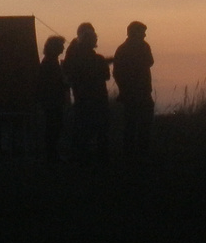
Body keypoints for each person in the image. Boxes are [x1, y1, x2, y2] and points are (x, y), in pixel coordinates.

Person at [62, 22, 110, 163]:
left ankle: (80, 157)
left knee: (83, 129)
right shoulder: (98, 59)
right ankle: (99, 158)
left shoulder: (73, 56)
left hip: (81, 98)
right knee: (99, 130)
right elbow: (106, 76)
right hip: (97, 99)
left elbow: (68, 73)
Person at [112, 20, 155, 158]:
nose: (144, 35)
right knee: (134, 125)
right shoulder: (134, 48)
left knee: (138, 125)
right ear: (134, 33)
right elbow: (149, 62)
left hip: (140, 92)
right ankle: (134, 155)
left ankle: (137, 154)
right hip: (134, 93)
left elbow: (149, 62)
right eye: (142, 32)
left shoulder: (125, 49)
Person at [36, 35, 70, 163]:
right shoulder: (50, 63)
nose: (63, 47)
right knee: (53, 127)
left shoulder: (50, 61)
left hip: (52, 100)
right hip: (52, 101)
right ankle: (51, 155)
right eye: (61, 45)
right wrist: (65, 84)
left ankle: (52, 154)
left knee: (54, 127)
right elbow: (52, 83)